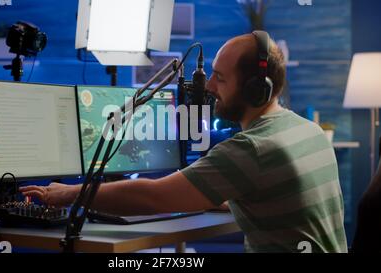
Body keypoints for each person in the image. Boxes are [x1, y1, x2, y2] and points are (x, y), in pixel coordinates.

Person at [20, 31, 348, 253]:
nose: (209, 87)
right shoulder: (308, 131)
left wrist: (66, 194)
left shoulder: (251, 149)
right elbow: (261, 196)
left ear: (254, 89)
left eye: (220, 78)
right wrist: (199, 193)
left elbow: (152, 196)